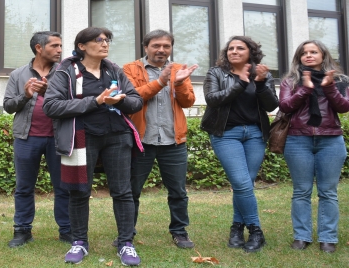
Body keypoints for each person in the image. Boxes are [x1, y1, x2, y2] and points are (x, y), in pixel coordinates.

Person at [43, 27, 144, 266]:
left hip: (117, 136)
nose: (105, 44)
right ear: (82, 46)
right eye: (98, 40)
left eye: (107, 40)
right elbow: (51, 106)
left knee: (122, 191)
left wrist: (121, 101)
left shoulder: (114, 70)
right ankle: (79, 242)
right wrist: (96, 101)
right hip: (81, 137)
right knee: (79, 191)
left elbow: (136, 101)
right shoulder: (65, 71)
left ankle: (126, 243)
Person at [200, 36, 278, 253]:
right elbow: (213, 99)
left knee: (245, 184)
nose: (233, 51)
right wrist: (241, 83)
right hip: (226, 134)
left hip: (254, 134)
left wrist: (260, 83)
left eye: (240, 48)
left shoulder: (263, 75)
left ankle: (236, 228)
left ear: (250, 52)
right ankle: (255, 230)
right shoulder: (215, 73)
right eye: (230, 48)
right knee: (242, 184)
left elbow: (272, 104)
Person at [122, 29, 198, 249]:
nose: (161, 50)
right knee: (131, 190)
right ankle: (127, 233)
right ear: (146, 47)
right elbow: (131, 98)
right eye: (156, 45)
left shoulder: (179, 69)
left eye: (166, 46)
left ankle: (179, 231)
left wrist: (180, 83)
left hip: (173, 142)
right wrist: (162, 81)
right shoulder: (129, 69)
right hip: (140, 141)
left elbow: (188, 102)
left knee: (178, 192)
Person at [279, 40, 349, 253]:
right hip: (298, 139)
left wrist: (328, 87)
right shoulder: (291, 80)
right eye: (304, 53)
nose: (308, 56)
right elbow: (285, 105)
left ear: (323, 54)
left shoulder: (339, 80)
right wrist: (305, 90)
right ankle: (302, 236)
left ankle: (328, 238)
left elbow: (343, 107)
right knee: (301, 191)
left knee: (328, 191)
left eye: (313, 52)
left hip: (331, 139)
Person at [3, 31, 71, 247]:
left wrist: (47, 90)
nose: (59, 50)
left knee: (63, 187)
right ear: (39, 48)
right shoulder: (18, 74)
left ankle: (67, 230)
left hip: (58, 137)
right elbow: (8, 106)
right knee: (24, 187)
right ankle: (22, 231)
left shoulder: (66, 73)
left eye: (60, 46)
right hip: (27, 137)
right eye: (55, 46)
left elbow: (74, 101)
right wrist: (26, 95)